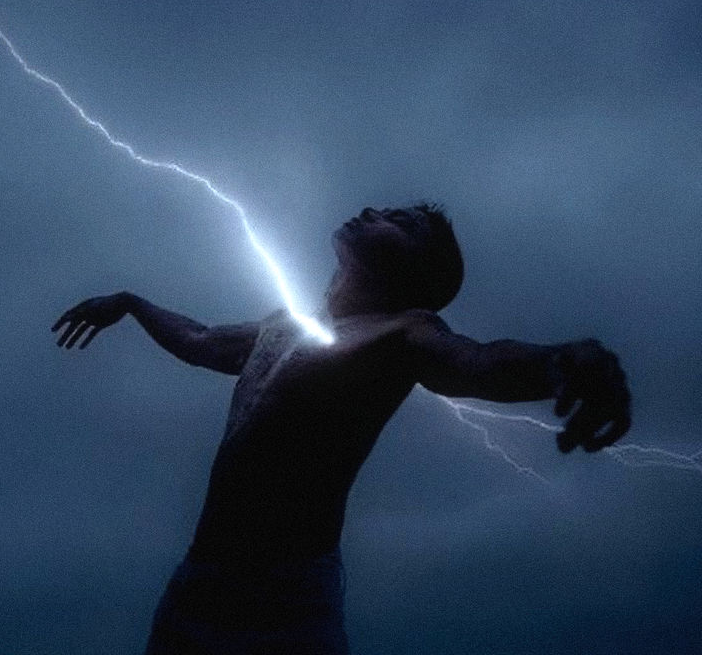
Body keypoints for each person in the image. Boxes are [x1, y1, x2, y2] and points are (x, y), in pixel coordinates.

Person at [52, 204, 631, 654]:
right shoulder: (282, 328)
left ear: (415, 269)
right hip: (198, 584)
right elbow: (200, 340)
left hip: (286, 605)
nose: (373, 210)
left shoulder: (403, 331)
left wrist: (565, 359)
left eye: (397, 223)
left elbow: (477, 362)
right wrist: (130, 302)